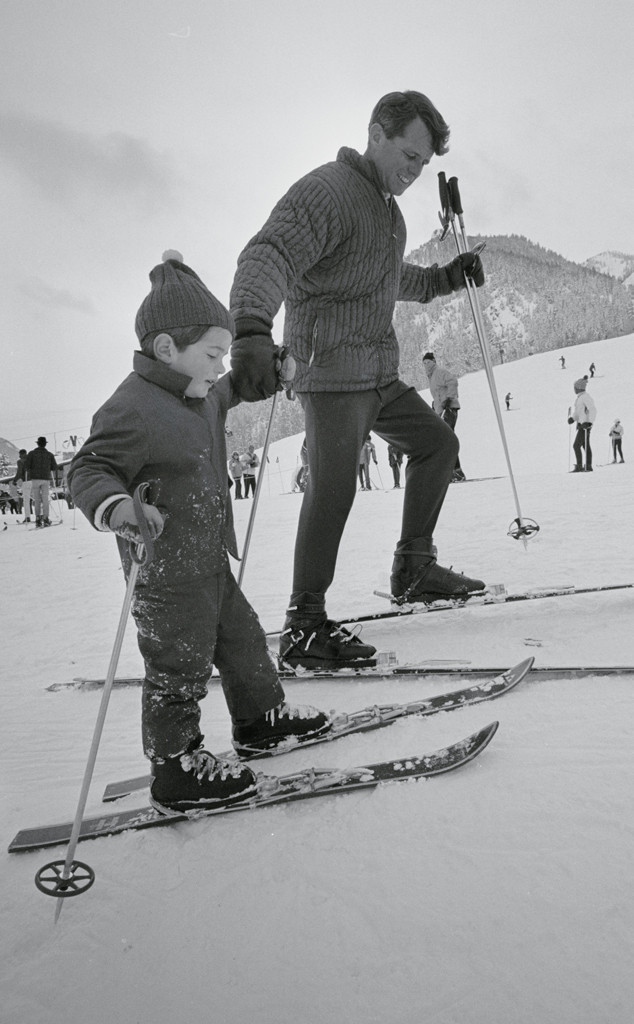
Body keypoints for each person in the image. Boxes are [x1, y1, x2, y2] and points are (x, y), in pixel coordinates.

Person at [229, 90, 486, 669]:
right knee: (334, 489)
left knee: (438, 444)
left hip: (376, 373)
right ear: (376, 133)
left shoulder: (386, 213)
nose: (415, 171)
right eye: (409, 154)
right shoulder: (328, 192)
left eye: (423, 163)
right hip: (330, 372)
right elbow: (269, 253)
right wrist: (250, 328)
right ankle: (304, 624)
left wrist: (447, 277)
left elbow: (392, 280)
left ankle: (413, 567)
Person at [68, 253, 328, 813]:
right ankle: (175, 766)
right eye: (211, 354)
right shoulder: (131, 409)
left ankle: (259, 719)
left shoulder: (199, 390)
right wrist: (116, 507)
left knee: (242, 638)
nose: (218, 365)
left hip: (209, 559)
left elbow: (230, 388)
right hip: (164, 574)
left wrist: (267, 372)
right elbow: (88, 470)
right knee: (178, 665)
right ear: (167, 350)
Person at [422, 352, 466, 482]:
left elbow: (452, 381)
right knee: (445, 439)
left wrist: (450, 398)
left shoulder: (439, 372)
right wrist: (435, 407)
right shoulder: (432, 377)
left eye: (428, 362)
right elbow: (438, 395)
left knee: (447, 439)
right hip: (442, 409)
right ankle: (454, 471)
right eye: (424, 363)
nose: (426, 365)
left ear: (434, 361)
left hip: (449, 407)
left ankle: (456, 472)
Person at [23, 437, 58, 527]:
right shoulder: (49, 455)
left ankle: (38, 518)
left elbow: (26, 466)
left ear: (37, 444)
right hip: (45, 479)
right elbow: (54, 467)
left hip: (35, 479)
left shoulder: (31, 454)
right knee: (45, 499)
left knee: (37, 499)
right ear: (45, 444)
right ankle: (46, 518)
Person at [568, 377, 596, 472]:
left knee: (576, 445)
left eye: (575, 387)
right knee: (585, 445)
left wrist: (589, 422)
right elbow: (578, 412)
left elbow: (593, 409)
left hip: (585, 425)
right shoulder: (580, 398)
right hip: (581, 424)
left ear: (579, 387)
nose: (574, 389)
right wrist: (573, 418)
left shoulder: (585, 397)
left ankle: (580, 466)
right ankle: (588, 466)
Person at [12, 449, 31, 521]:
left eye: (20, 454)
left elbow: (19, 472)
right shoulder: (31, 459)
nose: (19, 456)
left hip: (27, 481)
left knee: (26, 500)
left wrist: (14, 480)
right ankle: (41, 516)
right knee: (38, 498)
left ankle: (27, 517)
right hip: (35, 480)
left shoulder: (20, 461)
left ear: (22, 454)